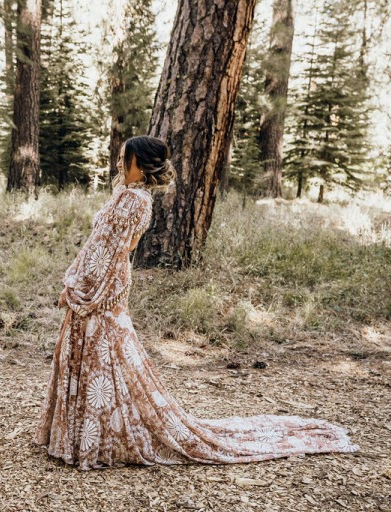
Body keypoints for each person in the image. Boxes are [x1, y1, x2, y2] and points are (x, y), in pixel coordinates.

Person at [34, 135, 358, 470]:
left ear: (140, 164)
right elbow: (110, 245)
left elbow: (105, 250)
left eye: (124, 158)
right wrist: (81, 280)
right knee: (106, 357)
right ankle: (94, 434)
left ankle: (97, 438)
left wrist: (77, 287)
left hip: (103, 285)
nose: (118, 162)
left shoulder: (131, 199)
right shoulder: (133, 196)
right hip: (108, 281)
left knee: (103, 356)